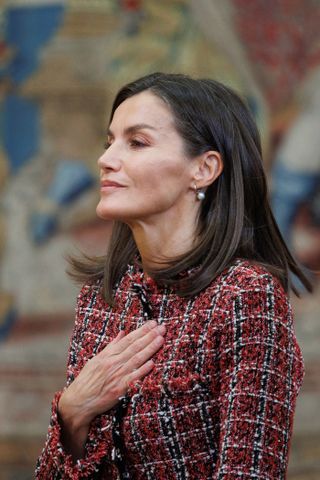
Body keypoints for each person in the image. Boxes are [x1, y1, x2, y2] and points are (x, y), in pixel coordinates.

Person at [35, 72, 312, 479]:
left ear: (204, 168)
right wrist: (72, 413)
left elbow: (250, 471)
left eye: (137, 142)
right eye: (109, 141)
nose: (106, 158)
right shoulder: (102, 297)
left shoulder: (247, 297)